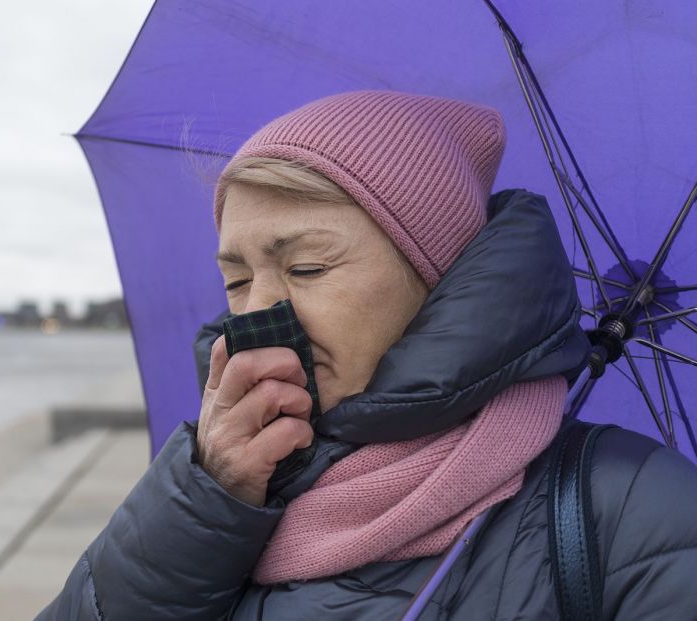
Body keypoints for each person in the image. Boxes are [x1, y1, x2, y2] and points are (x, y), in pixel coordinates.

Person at [36, 90, 697, 620]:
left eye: (308, 266)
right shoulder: (226, 482)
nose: (258, 313)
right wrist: (204, 499)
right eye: (236, 280)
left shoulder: (638, 513)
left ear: (436, 273)